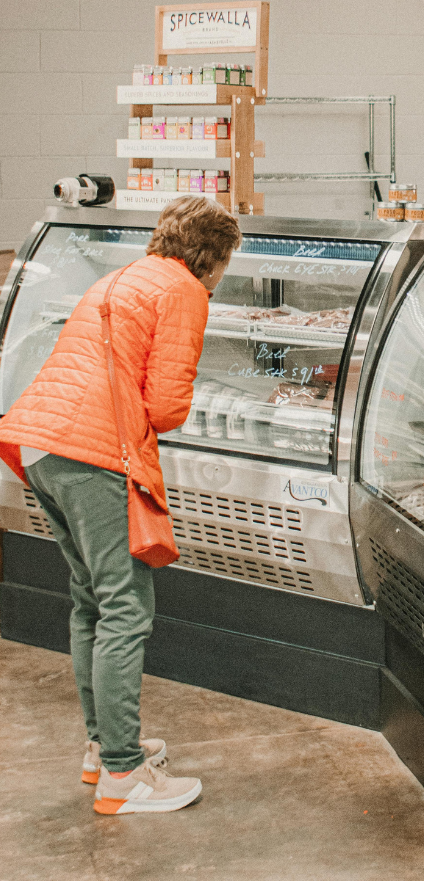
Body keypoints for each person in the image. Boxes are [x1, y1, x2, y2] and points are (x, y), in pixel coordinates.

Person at [0, 196, 241, 815]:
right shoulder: (185, 289)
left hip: (38, 443)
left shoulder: (123, 276)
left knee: (91, 600)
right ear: (214, 257)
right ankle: (123, 776)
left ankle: (103, 746)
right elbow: (164, 408)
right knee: (126, 609)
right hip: (92, 454)